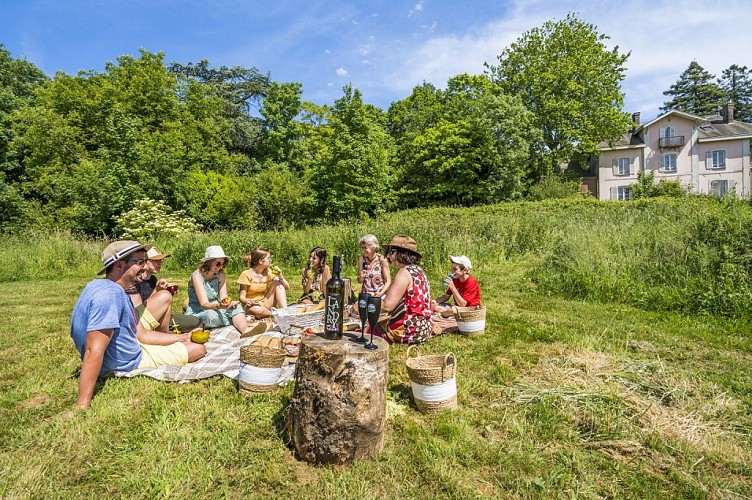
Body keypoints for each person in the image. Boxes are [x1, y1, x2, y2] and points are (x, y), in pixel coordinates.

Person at [70, 240, 207, 410]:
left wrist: (182, 337)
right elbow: (93, 350)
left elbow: (141, 334)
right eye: (139, 262)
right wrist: (82, 404)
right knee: (199, 349)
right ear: (120, 265)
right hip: (124, 362)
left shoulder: (100, 286)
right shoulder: (109, 295)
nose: (144, 266)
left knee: (186, 343)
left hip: (127, 350)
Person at [370, 235, 433, 345]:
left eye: (391, 252)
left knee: (366, 330)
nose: (388, 256)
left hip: (409, 330)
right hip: (424, 329)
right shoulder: (419, 270)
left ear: (400, 253)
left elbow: (387, 306)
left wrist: (367, 302)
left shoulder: (404, 272)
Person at [186, 245, 249, 334]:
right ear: (208, 262)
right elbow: (203, 304)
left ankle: (246, 332)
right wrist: (219, 306)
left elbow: (224, 297)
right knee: (211, 316)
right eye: (218, 263)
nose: (220, 267)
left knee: (236, 308)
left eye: (223, 264)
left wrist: (228, 303)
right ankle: (233, 320)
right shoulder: (197, 276)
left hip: (217, 306)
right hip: (198, 310)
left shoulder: (220, 274)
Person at [126, 246, 174, 332]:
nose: (160, 263)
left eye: (161, 260)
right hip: (137, 323)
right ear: (144, 262)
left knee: (192, 321)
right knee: (165, 296)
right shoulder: (135, 281)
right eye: (156, 260)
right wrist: (157, 291)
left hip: (151, 319)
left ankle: (163, 334)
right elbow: (138, 310)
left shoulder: (153, 279)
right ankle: (162, 335)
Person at [237, 248, 289, 319]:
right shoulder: (246, 274)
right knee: (257, 310)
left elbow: (286, 287)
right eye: (268, 258)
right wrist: (248, 301)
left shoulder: (268, 272)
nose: (270, 260)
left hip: (264, 302)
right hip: (251, 306)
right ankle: (276, 314)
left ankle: (285, 311)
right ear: (261, 261)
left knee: (277, 282)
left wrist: (280, 276)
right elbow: (241, 297)